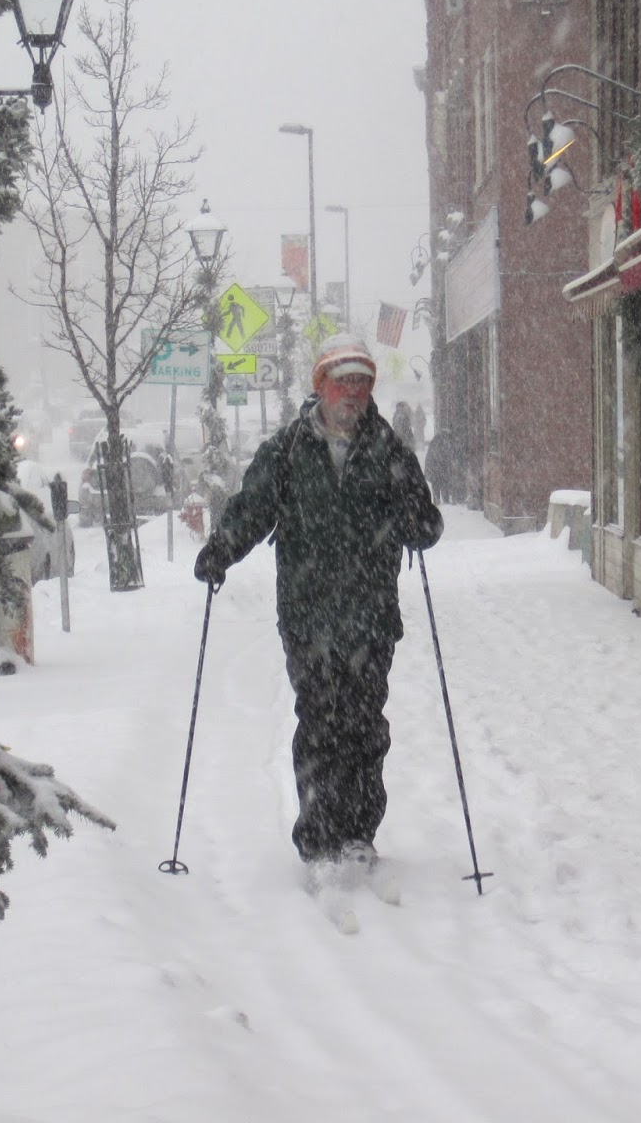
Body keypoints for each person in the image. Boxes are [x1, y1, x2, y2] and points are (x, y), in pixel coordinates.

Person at [193, 335, 444, 890]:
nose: (353, 393)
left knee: (364, 727)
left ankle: (358, 834)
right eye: (343, 382)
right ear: (320, 386)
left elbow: (425, 526)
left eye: (363, 383)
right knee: (319, 723)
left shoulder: (388, 450)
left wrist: (413, 513)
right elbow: (251, 509)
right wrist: (220, 551)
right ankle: (318, 836)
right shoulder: (286, 452)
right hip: (308, 617)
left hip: (370, 617)